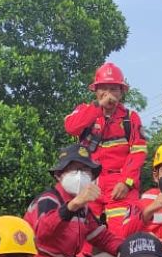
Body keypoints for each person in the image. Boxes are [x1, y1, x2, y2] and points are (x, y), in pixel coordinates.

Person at [25, 143, 123, 257]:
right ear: (58, 175)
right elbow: (43, 232)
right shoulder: (48, 200)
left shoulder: (83, 209)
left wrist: (133, 250)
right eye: (75, 169)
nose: (81, 175)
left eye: (86, 171)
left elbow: (103, 238)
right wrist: (73, 205)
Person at [63, 62, 147, 227]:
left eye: (114, 89)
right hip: (89, 182)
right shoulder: (85, 111)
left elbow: (138, 153)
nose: (108, 93)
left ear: (121, 92)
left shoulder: (130, 118)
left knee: (122, 233)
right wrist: (97, 107)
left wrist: (126, 182)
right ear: (95, 90)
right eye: (103, 88)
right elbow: (70, 127)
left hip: (119, 183)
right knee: (83, 234)